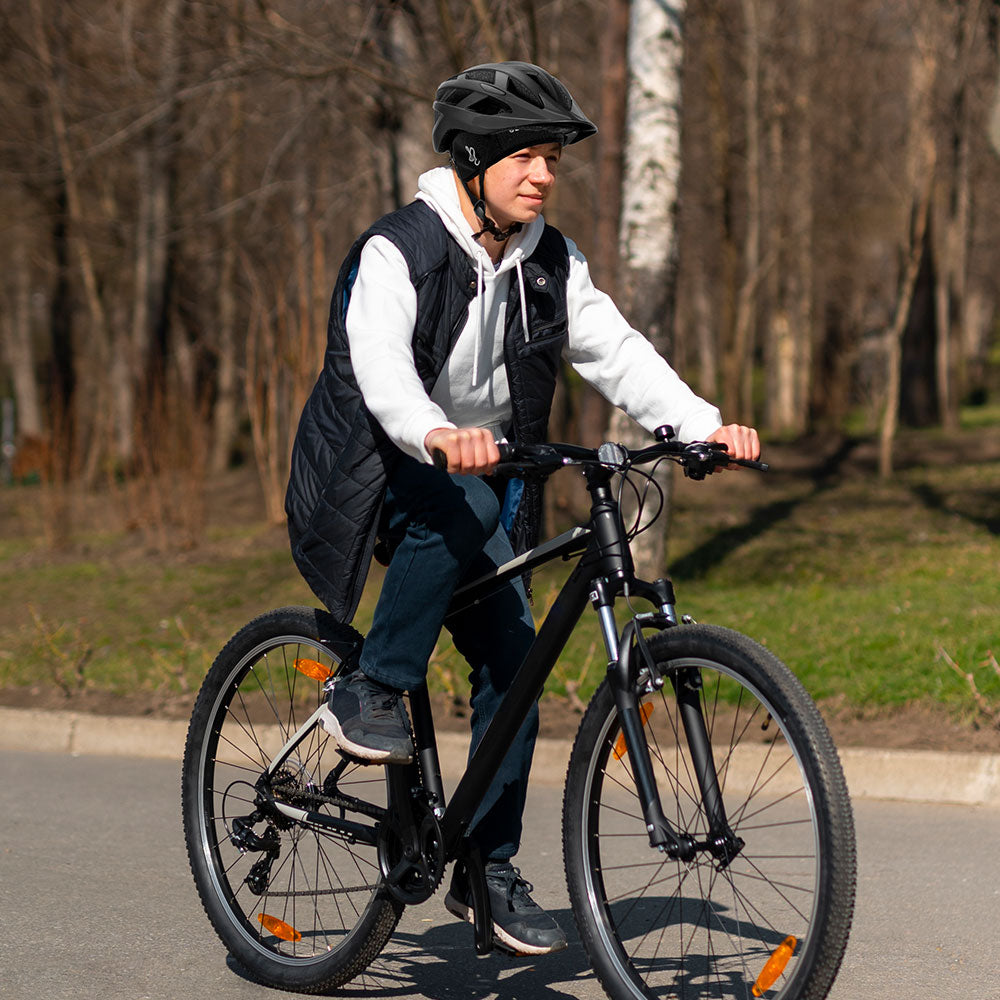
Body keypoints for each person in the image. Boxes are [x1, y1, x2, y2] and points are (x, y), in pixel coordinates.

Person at [285, 61, 760, 957]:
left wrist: (700, 426)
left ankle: (485, 868)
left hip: (489, 474)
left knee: (517, 664)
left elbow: (615, 350)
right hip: (383, 466)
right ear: (472, 160)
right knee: (460, 499)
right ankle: (371, 690)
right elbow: (380, 367)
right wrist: (433, 432)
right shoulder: (400, 250)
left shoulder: (548, 258)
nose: (544, 175)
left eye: (552, 159)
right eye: (527, 157)